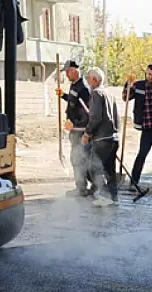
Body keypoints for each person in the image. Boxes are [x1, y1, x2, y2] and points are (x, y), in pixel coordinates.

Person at [56, 60, 96, 197]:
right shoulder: (75, 85)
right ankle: (87, 186)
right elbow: (75, 102)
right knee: (79, 159)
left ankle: (82, 188)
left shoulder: (83, 88)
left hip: (81, 131)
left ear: (74, 71)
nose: (66, 75)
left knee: (78, 159)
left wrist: (76, 124)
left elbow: (88, 112)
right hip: (75, 130)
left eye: (67, 72)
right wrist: (63, 96)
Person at [82, 67, 120, 207]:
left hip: (102, 139)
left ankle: (105, 195)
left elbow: (95, 117)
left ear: (94, 80)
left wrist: (87, 133)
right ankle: (114, 197)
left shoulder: (97, 94)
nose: (88, 82)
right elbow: (116, 117)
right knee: (110, 170)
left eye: (89, 79)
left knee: (93, 168)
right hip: (113, 138)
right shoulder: (109, 94)